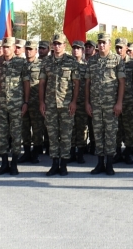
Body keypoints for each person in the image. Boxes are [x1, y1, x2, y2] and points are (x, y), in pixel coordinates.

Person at [38, 33, 80, 176]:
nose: (57, 46)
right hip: (50, 105)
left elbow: (76, 83)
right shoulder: (46, 62)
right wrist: (41, 102)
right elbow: (42, 83)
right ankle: (54, 162)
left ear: (64, 45)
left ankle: (64, 164)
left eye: (59, 44)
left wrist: (74, 101)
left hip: (66, 104)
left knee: (66, 135)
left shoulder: (71, 61)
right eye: (55, 44)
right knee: (52, 135)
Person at [0, 37, 30, 176]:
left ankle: (14, 164)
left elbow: (26, 83)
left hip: (16, 103)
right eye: (4, 47)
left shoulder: (21, 63)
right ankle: (4, 163)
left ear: (14, 48)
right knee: (2, 134)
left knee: (16, 133)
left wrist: (26, 102)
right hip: (0, 104)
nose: (5, 49)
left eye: (8, 47)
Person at [86, 32, 125, 175]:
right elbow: (88, 83)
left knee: (110, 133)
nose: (101, 45)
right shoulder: (92, 60)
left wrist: (119, 102)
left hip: (111, 104)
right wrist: (87, 103)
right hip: (95, 104)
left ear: (109, 44)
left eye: (104, 42)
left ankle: (109, 163)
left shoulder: (117, 60)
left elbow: (122, 82)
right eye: (100, 42)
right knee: (98, 133)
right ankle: (99, 163)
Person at [18, 39, 44, 164]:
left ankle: (36, 152)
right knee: (25, 127)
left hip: (36, 102)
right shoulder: (21, 65)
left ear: (36, 51)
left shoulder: (41, 65)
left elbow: (44, 84)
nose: (28, 52)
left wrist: (42, 101)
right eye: (26, 49)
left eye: (31, 49)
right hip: (22, 102)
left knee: (37, 128)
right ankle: (27, 151)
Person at [114, 38, 133, 164]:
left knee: (129, 127)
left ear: (126, 49)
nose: (119, 50)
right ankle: (117, 152)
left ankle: (128, 152)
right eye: (117, 47)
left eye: (121, 47)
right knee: (116, 128)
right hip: (115, 100)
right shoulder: (112, 62)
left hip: (128, 100)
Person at [69, 40, 89, 164]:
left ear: (82, 51)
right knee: (70, 127)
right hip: (69, 101)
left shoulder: (86, 66)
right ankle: (71, 152)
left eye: (78, 48)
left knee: (81, 127)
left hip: (82, 101)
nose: (76, 50)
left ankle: (80, 153)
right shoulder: (67, 65)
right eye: (74, 48)